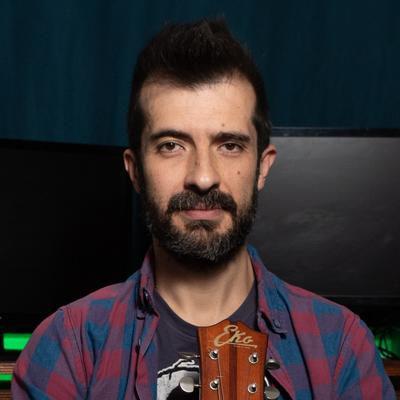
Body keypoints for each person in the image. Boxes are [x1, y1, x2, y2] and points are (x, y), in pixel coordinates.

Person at [12, 19, 395, 399]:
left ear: (262, 167)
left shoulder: (341, 347)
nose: (203, 177)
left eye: (229, 145)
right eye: (171, 146)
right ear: (135, 171)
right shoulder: (69, 348)